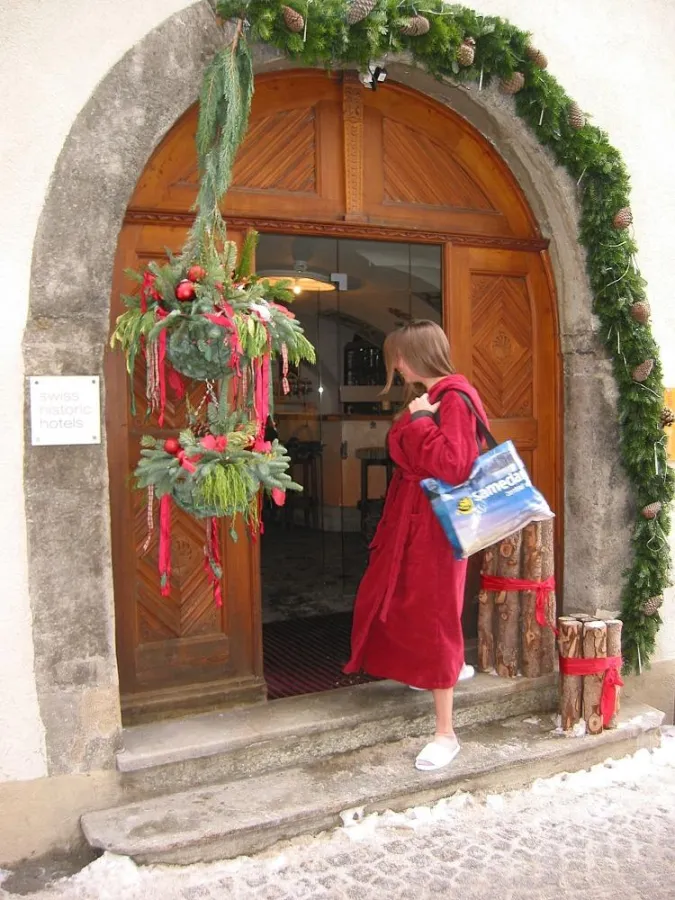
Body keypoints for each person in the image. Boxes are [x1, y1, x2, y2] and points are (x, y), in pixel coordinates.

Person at [344, 320, 489, 771]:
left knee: (435, 614)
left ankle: (445, 733)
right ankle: (438, 668)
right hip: (414, 523)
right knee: (404, 603)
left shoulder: (452, 399)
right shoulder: (432, 396)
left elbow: (455, 465)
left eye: (399, 357)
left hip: (435, 529)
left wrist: (422, 423)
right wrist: (420, 417)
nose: (397, 366)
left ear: (417, 355)